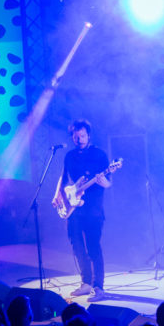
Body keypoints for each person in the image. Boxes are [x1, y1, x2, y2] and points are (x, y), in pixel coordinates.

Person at [53, 119, 111, 302]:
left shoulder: (99, 155)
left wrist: (105, 183)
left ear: (89, 136)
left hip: (93, 209)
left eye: (83, 136)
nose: (80, 139)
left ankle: (99, 287)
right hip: (74, 208)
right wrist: (58, 194)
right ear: (72, 136)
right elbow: (63, 178)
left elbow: (108, 182)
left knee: (93, 246)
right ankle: (86, 282)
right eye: (76, 136)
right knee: (77, 246)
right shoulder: (69, 156)